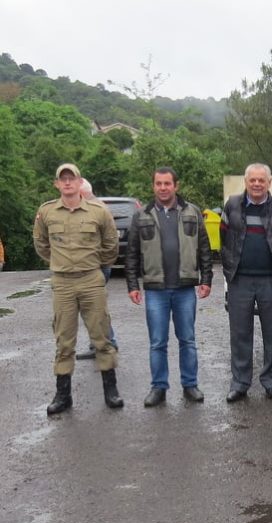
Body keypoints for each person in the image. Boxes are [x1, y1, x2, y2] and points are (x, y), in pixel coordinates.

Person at [33, 163, 123, 414]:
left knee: (102, 336)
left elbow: (111, 243)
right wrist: (59, 262)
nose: (68, 183)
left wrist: (98, 263)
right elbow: (40, 243)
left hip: (91, 279)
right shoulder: (47, 211)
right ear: (57, 184)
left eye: (71, 178)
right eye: (63, 179)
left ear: (79, 181)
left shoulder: (97, 211)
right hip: (62, 282)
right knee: (64, 340)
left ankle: (111, 390)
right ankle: (63, 395)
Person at [126, 167, 213, 407]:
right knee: (157, 342)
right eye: (158, 184)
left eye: (167, 184)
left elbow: (204, 248)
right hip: (156, 290)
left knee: (187, 339)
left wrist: (206, 279)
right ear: (153, 186)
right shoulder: (141, 215)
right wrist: (132, 284)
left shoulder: (192, 212)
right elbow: (132, 253)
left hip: (185, 288)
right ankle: (158, 387)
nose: (163, 188)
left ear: (176, 185)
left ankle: (190, 385)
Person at [220, 163, 272, 402]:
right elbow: (224, 238)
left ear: (269, 183)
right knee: (240, 334)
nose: (257, 184)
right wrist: (229, 269)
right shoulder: (232, 204)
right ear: (246, 182)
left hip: (271, 279)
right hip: (240, 279)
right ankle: (240, 383)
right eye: (253, 180)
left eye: (262, 180)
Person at [75, 178, 117, 360]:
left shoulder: (94, 210)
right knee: (94, 307)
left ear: (81, 193)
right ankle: (101, 343)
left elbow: (110, 241)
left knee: (93, 307)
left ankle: (106, 343)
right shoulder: (98, 206)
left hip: (95, 267)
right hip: (97, 266)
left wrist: (102, 263)